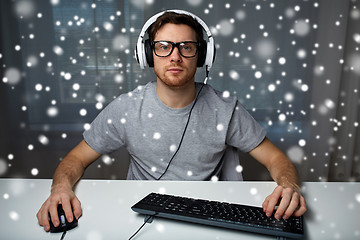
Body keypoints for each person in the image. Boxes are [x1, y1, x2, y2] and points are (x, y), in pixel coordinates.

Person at [37, 10, 306, 232]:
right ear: (148, 55)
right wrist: (60, 189)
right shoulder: (125, 108)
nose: (175, 56)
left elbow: (276, 159)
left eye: (186, 47)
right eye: (163, 47)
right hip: (140, 218)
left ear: (201, 57)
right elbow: (75, 159)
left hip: (207, 219)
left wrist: (288, 186)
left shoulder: (226, 109)